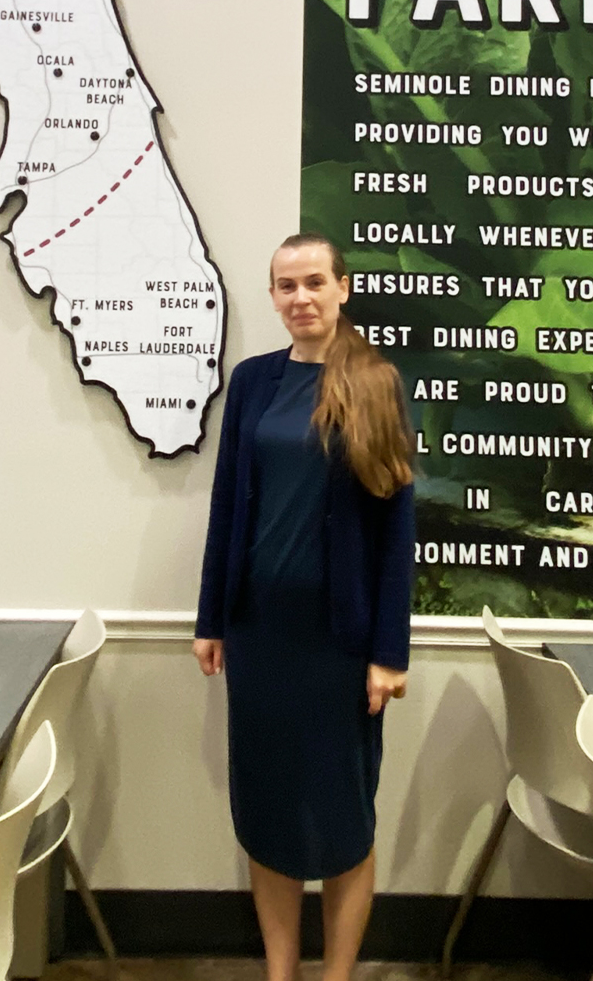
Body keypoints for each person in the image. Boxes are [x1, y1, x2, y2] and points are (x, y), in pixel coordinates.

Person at [193, 232, 415, 981]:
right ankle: (280, 973)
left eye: (314, 282)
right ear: (274, 296)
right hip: (260, 640)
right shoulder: (254, 383)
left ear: (342, 288)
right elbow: (227, 507)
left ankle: (336, 976)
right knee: (270, 821)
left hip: (339, 648)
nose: (301, 298)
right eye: (286, 286)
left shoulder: (377, 383)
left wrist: (389, 652)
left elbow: (396, 533)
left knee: (344, 822)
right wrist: (210, 620)